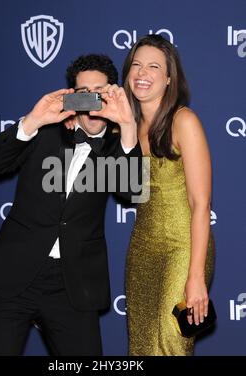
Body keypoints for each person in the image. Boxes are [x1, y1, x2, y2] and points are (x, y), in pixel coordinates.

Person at [0, 54, 141, 356]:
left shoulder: (118, 149)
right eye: (82, 95)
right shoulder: (44, 132)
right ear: (71, 97)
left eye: (100, 93)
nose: (91, 101)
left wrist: (128, 123)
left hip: (73, 286)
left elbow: (132, 193)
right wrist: (33, 120)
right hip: (12, 275)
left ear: (114, 94)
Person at [123, 35, 215, 355]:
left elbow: (201, 204)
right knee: (143, 346)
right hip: (143, 250)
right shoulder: (125, 129)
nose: (142, 73)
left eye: (153, 66)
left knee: (171, 340)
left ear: (168, 78)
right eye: (136, 65)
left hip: (184, 247)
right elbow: (113, 186)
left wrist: (196, 276)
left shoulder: (183, 121)